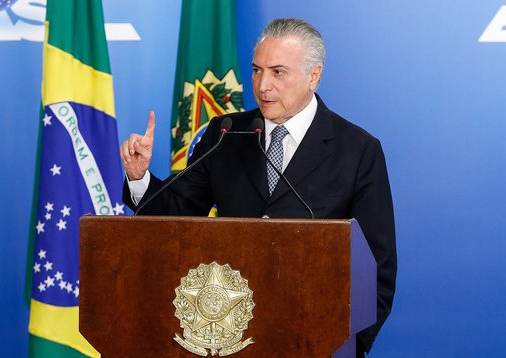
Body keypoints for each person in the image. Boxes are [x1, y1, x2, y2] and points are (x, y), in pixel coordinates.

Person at [120, 18, 396, 357]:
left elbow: (375, 266)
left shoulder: (357, 150)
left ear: (314, 75)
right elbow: (175, 215)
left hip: (315, 340)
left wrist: (349, 345)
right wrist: (139, 177)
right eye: (256, 70)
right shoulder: (225, 133)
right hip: (228, 337)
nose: (263, 85)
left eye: (278, 72)